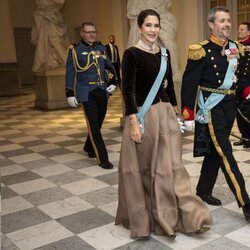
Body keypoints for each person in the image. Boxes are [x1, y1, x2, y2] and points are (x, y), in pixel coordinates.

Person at [115, 9, 212, 239]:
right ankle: (146, 218)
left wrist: (177, 114)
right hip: (142, 117)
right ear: (140, 27)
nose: (152, 30)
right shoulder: (131, 54)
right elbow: (127, 90)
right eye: (148, 25)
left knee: (171, 168)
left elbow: (168, 88)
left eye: (156, 25)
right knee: (144, 170)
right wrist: (134, 122)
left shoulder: (165, 54)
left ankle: (184, 216)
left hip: (166, 116)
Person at [181, 6, 250, 221]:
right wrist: (188, 114)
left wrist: (246, 94)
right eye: (222, 21)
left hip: (230, 106)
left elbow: (241, 77)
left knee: (215, 150)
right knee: (225, 152)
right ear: (211, 25)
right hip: (211, 107)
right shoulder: (200, 50)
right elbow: (188, 84)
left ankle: (203, 190)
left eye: (228, 20)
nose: (227, 24)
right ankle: (245, 202)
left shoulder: (236, 48)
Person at [65, 21, 117, 169]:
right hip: (86, 93)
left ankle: (88, 146)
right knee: (93, 126)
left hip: (102, 90)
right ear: (82, 33)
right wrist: (69, 92)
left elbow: (109, 66)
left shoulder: (101, 47)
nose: (92, 34)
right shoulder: (75, 50)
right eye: (88, 32)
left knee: (98, 123)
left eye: (94, 32)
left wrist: (114, 81)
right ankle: (102, 158)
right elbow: (70, 72)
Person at [31, 0, 69, 72]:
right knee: (46, 41)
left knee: (54, 40)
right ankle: (52, 61)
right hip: (44, 16)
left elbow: (61, 2)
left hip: (51, 16)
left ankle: (62, 60)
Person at [233, 22, 250, 148]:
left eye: (242, 29)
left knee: (248, 110)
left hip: (248, 82)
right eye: (239, 29)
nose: (239, 31)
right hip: (237, 81)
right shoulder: (235, 45)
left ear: (249, 32)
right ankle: (244, 136)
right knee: (238, 109)